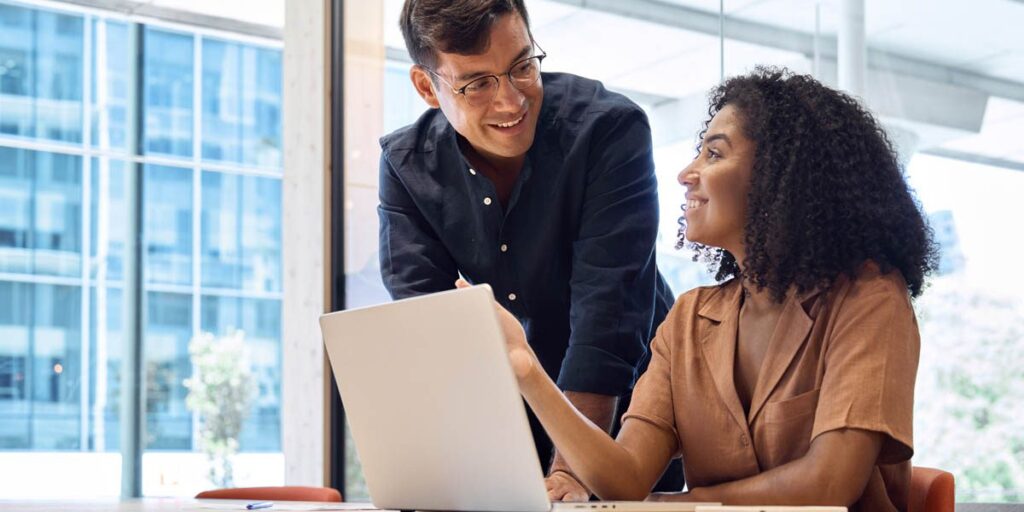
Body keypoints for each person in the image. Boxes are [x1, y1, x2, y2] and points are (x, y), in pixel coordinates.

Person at [473, 67, 938, 511]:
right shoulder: (690, 318)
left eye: (714, 153)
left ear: (780, 177)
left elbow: (829, 482)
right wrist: (527, 371)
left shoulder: (870, 298)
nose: (687, 173)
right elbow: (626, 477)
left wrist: (684, 504)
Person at [377, 0, 682, 499]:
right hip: (509, 421)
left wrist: (571, 469)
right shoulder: (407, 166)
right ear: (427, 87)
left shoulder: (608, 131)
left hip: (624, 423)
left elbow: (606, 318)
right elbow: (427, 324)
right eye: (476, 83)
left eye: (522, 66)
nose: (511, 102)